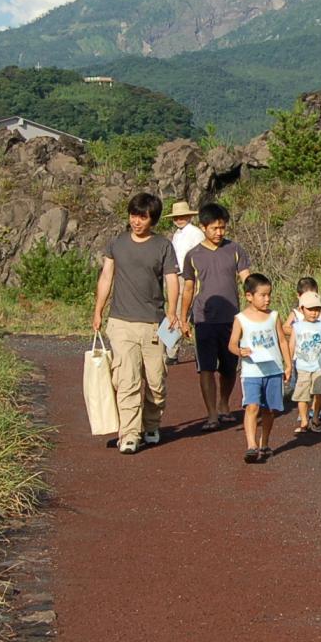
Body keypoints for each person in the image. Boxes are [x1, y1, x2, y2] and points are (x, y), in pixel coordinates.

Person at [92, 193, 180, 455]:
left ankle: (151, 424)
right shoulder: (117, 244)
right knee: (126, 380)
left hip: (154, 323)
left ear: (152, 219)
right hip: (121, 322)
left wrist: (173, 311)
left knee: (156, 382)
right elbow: (106, 277)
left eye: (142, 217)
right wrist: (98, 310)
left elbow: (172, 279)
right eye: (133, 215)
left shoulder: (163, 246)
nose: (136, 221)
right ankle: (129, 434)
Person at [179, 203, 251, 431]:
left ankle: (224, 404)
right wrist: (182, 318)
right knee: (206, 368)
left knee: (229, 367)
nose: (219, 232)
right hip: (203, 319)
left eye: (222, 228)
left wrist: (256, 310)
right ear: (203, 227)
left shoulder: (236, 249)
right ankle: (211, 414)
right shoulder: (193, 255)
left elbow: (247, 280)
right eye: (214, 228)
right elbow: (188, 288)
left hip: (232, 320)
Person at [229, 274, 291, 464]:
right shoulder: (240, 319)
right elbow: (231, 344)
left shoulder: (273, 316)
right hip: (252, 372)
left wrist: (288, 365)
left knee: (269, 410)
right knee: (252, 406)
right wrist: (240, 351)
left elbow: (282, 340)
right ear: (249, 296)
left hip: (273, 370)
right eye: (262, 295)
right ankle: (251, 445)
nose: (267, 299)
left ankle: (264, 442)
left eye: (269, 295)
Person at [289, 291, 321, 434]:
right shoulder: (297, 327)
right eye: (310, 309)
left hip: (318, 366)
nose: (314, 313)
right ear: (302, 309)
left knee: (319, 393)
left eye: (317, 309)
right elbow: (291, 345)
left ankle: (315, 417)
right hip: (302, 367)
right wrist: (288, 365)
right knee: (302, 395)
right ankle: (304, 420)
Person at [165, 201, 203, 362]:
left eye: (182, 216)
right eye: (177, 217)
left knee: (185, 313)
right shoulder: (176, 234)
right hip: (176, 276)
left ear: (189, 216)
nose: (179, 219)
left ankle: (171, 352)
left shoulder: (195, 233)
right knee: (175, 311)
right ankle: (170, 350)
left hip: (191, 277)